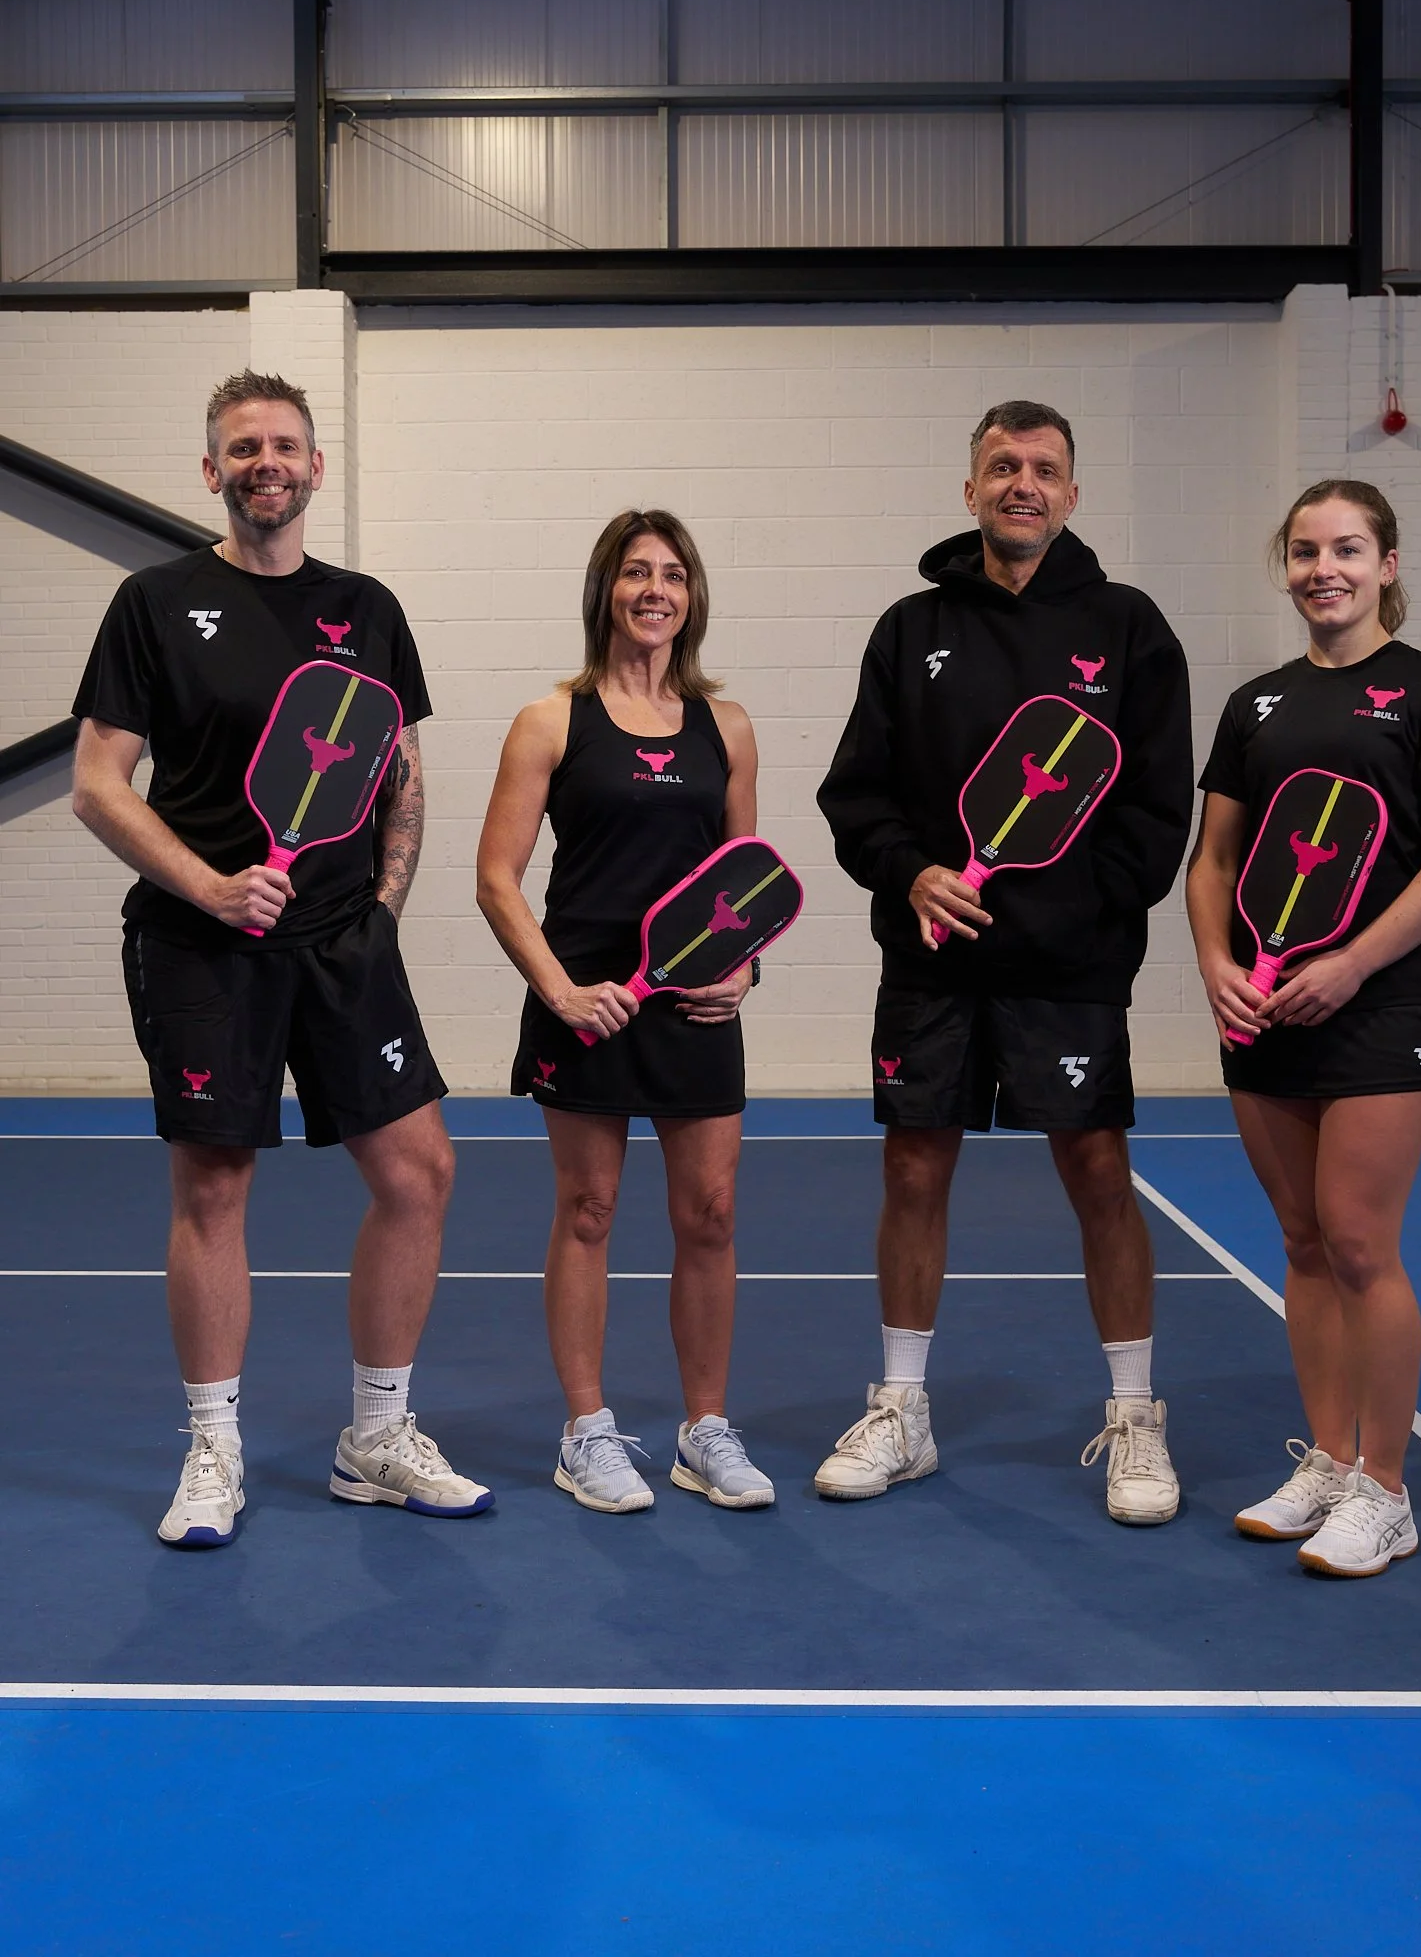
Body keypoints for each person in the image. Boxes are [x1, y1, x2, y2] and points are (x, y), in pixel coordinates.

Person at [71, 368, 491, 1547]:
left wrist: (382, 908)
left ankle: (377, 1436)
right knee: (214, 1188)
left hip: (342, 943)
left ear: (314, 467)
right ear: (214, 470)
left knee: (420, 1173)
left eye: (286, 444)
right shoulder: (154, 602)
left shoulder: (367, 607)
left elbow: (400, 777)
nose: (267, 461)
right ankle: (214, 1447)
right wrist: (206, 881)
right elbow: (97, 783)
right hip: (201, 941)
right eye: (243, 445)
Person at [814, 399, 1193, 1522]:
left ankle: (1134, 1415)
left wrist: (1073, 921)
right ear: (969, 489)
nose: (1022, 483)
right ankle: (903, 1409)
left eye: (1043, 468)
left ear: (1071, 492)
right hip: (931, 961)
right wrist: (911, 871)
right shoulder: (909, 626)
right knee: (914, 1171)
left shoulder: (1129, 628)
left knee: (1098, 1178)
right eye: (1001, 466)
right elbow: (855, 794)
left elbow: (1155, 815)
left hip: (1065, 970)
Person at [1186, 478, 1421, 1577]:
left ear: (1389, 563)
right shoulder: (1256, 704)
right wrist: (1220, 965)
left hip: (1385, 1004)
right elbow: (1213, 859)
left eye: (1350, 548)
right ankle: (1326, 1457)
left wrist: (1352, 962)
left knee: (1361, 1239)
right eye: (1308, 549)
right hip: (1264, 1010)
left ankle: (1387, 1487)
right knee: (1302, 1242)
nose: (1326, 567)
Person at [476, 508, 772, 1514]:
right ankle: (587, 1430)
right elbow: (496, 878)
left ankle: (704, 1429)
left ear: (692, 596)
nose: (657, 589)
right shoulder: (552, 720)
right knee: (590, 1210)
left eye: (674, 573)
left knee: (712, 1214)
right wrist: (558, 988)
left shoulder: (725, 726)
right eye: (637, 571)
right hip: (586, 996)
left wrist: (742, 970)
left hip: (694, 1007)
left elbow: (746, 881)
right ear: (606, 588)